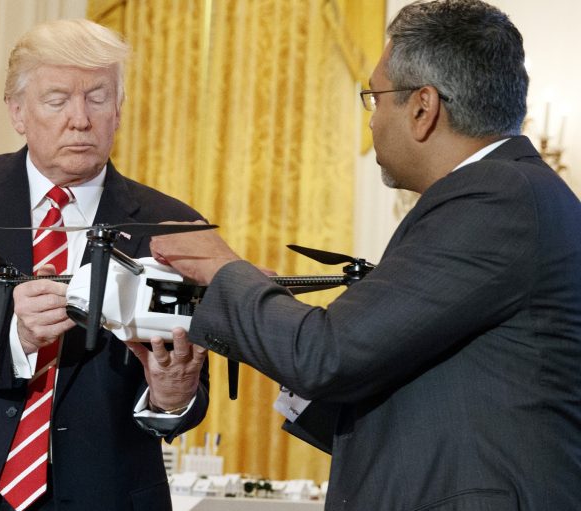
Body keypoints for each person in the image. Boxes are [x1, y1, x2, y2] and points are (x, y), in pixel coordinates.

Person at [149, 1, 581, 509]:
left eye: (375, 98)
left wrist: (225, 273)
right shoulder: (508, 192)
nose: (372, 122)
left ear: (423, 108)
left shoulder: (495, 198)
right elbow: (400, 366)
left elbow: (329, 354)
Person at [0, 19, 209, 511]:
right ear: (17, 112)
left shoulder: (172, 226)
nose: (80, 118)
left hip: (104, 494)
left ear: (119, 110)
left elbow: (187, 387)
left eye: (97, 97)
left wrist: (172, 397)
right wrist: (14, 332)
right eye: (57, 100)